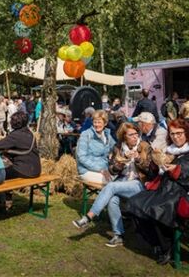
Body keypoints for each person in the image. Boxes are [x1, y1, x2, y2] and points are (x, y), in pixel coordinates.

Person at [72, 123, 152, 247]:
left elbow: (150, 170)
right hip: (123, 181)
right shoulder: (118, 148)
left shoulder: (144, 146)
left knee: (111, 186)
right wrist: (120, 162)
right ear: (124, 136)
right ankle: (118, 235)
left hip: (138, 183)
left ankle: (88, 217)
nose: (135, 137)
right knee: (112, 200)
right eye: (131, 134)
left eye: (136, 133)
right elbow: (111, 170)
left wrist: (138, 160)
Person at [126, 119, 189, 265]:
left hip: (180, 193)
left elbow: (185, 172)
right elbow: (155, 172)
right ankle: (156, 243)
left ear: (186, 133)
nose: (176, 136)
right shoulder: (170, 150)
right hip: (163, 189)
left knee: (156, 210)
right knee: (133, 204)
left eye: (179, 133)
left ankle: (166, 247)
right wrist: (154, 163)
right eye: (172, 134)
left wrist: (176, 170)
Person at [76, 110, 115, 184]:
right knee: (112, 183)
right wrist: (100, 169)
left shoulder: (107, 135)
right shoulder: (86, 135)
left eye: (99, 122)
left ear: (105, 123)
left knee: (120, 178)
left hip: (104, 169)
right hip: (86, 170)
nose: (97, 125)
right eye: (95, 122)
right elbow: (81, 157)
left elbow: (115, 147)